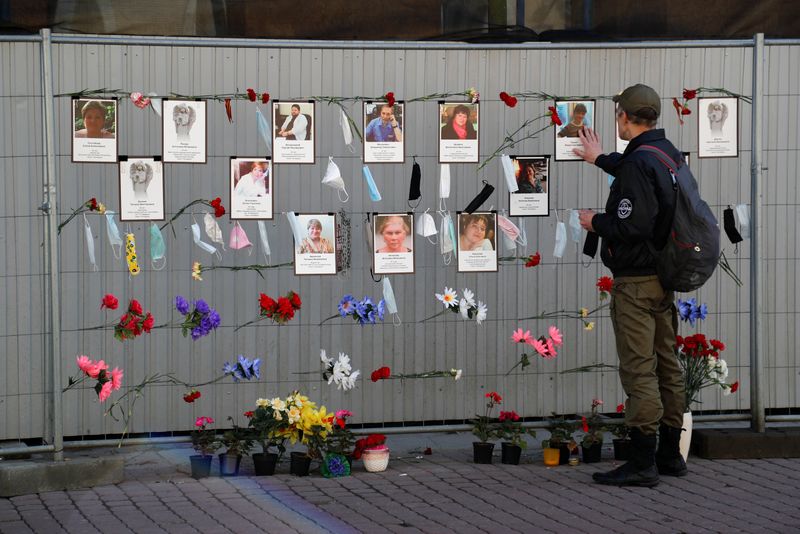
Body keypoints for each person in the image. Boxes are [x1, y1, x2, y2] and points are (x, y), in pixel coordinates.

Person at [573, 83, 686, 488]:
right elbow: (643, 181)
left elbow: (632, 224)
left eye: (618, 112)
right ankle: (671, 455)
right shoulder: (665, 154)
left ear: (624, 116)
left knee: (639, 370)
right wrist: (600, 158)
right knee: (668, 366)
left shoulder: (639, 163)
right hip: (663, 278)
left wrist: (595, 223)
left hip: (636, 284)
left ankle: (642, 462)